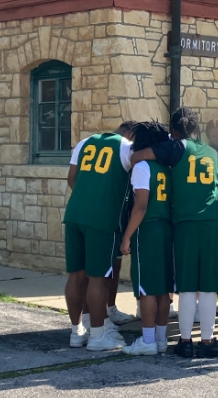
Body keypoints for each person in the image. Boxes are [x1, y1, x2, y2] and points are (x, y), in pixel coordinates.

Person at [131, 107, 218, 358]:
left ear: (173, 130)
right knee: (208, 285)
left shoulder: (176, 147)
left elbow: (139, 156)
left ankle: (185, 341)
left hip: (186, 222)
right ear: (197, 129)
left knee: (186, 284)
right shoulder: (212, 152)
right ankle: (207, 341)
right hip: (214, 220)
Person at [64, 124, 133, 351]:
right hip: (102, 218)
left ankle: (76, 332)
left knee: (75, 275)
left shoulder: (85, 142)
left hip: (74, 213)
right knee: (98, 278)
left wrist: (87, 195)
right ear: (131, 135)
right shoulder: (127, 147)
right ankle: (97, 335)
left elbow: (71, 177)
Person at [120, 121, 174, 356]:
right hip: (167, 227)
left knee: (147, 288)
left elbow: (141, 206)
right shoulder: (168, 167)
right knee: (164, 288)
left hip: (149, 228)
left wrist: (127, 236)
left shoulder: (143, 167)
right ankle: (160, 339)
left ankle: (148, 340)